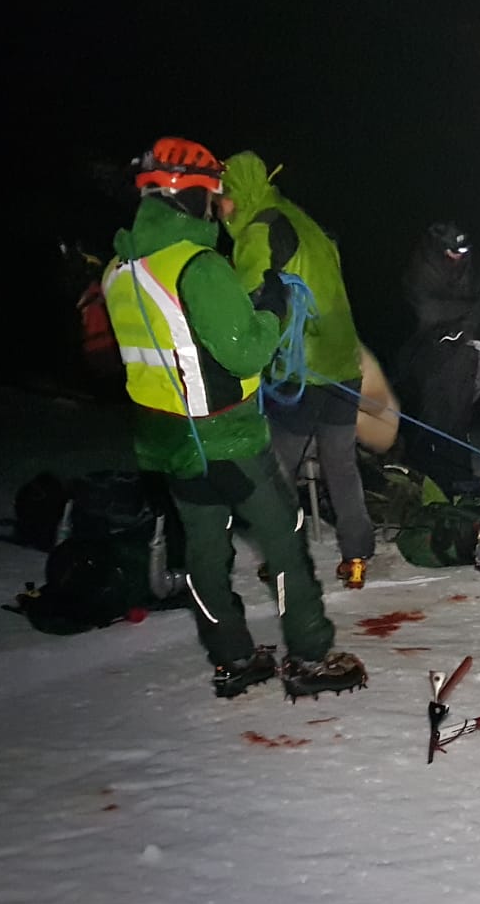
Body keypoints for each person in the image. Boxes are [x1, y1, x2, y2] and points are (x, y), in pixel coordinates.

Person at [101, 136, 367, 700]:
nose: (217, 207)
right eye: (210, 196)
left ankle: (234, 658)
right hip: (228, 437)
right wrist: (272, 309)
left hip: (169, 443)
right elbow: (244, 351)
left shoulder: (119, 271)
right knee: (286, 540)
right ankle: (311, 654)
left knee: (204, 552)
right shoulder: (197, 265)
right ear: (189, 198)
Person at [217, 151, 377, 589]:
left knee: (277, 466)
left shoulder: (260, 228)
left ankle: (284, 556)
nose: (220, 207)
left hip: (301, 369)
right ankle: (357, 556)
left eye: (225, 196)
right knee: (340, 463)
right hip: (343, 363)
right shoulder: (302, 221)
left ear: (242, 192)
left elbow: (245, 297)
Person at [395, 221, 480, 493]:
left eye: (463, 250)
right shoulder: (422, 266)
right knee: (431, 418)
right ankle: (429, 481)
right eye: (453, 251)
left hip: (465, 351)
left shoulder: (471, 267)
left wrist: (464, 328)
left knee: (459, 418)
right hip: (427, 353)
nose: (459, 256)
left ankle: (460, 477)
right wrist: (455, 319)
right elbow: (426, 308)